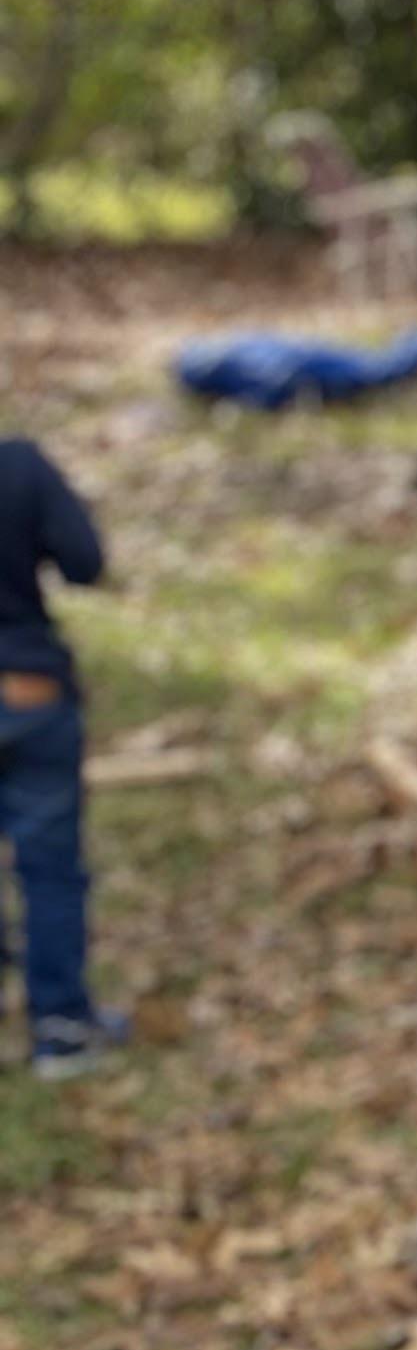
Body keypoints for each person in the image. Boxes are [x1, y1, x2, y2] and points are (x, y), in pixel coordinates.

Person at [0, 431, 128, 1079]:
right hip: (26, 691)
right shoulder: (18, 464)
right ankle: (61, 1028)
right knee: (49, 869)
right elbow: (84, 559)